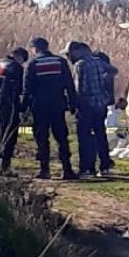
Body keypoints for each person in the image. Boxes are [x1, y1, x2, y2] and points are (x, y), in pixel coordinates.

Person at [22, 37, 78, 180]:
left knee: (42, 138)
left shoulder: (33, 64)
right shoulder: (60, 62)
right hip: (58, 104)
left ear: (35, 49)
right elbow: (70, 85)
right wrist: (73, 104)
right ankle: (67, 169)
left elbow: (27, 88)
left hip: (39, 106)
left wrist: (23, 108)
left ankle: (44, 169)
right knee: (61, 137)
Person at [63, 42, 118, 177]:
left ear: (77, 51)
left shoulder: (80, 65)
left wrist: (73, 105)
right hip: (100, 105)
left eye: (69, 54)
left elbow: (79, 88)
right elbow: (114, 70)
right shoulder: (98, 61)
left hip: (86, 106)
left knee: (84, 138)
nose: (69, 57)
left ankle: (86, 169)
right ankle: (105, 167)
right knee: (101, 135)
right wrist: (105, 93)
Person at [0, 47, 29, 177]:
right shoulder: (15, 67)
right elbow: (19, 89)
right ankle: (5, 166)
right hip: (7, 104)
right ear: (20, 56)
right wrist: (22, 106)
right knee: (9, 135)